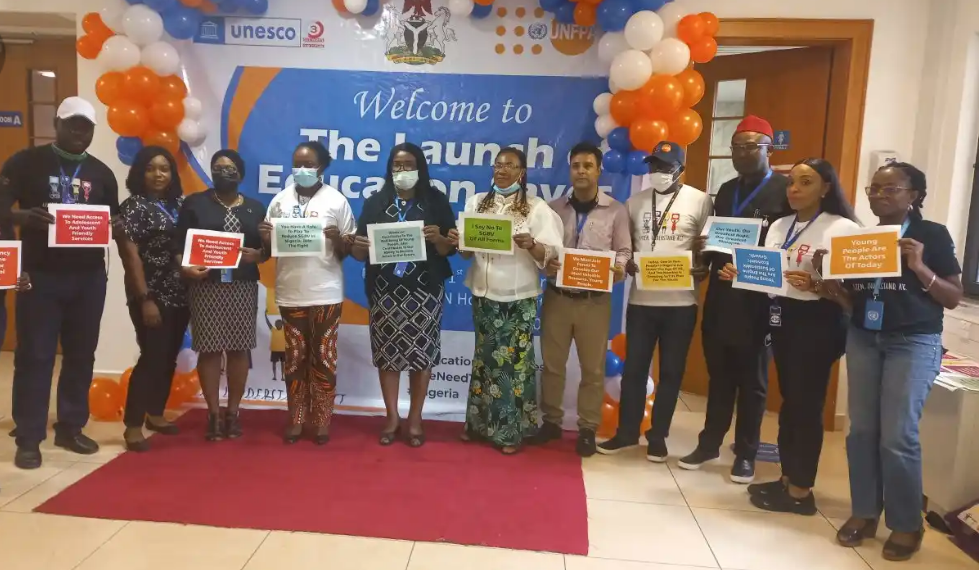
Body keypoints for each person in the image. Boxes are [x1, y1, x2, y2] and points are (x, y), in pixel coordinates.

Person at [831, 163, 961, 561]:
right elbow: (857, 301)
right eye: (874, 188)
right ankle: (865, 512)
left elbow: (953, 297)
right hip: (864, 338)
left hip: (913, 341)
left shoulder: (931, 234)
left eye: (891, 189)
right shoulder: (863, 239)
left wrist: (919, 266)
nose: (878, 195)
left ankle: (906, 524)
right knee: (861, 431)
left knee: (898, 435)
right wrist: (830, 283)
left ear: (914, 195)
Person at [714, 158, 859, 514]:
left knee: (806, 407)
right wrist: (739, 272)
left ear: (826, 188)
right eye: (792, 181)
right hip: (782, 317)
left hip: (819, 322)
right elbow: (769, 274)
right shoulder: (780, 225)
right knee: (789, 404)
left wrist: (818, 285)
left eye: (806, 182)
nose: (794, 189)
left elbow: (854, 290)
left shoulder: (842, 228)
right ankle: (787, 479)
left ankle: (801, 492)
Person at [0, 97, 121, 470]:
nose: (79, 131)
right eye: (72, 123)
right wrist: (22, 217)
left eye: (86, 126)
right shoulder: (25, 162)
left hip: (88, 278)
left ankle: (70, 427)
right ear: (57, 123)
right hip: (39, 276)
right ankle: (29, 437)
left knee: (82, 355)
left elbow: (113, 219)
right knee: (35, 356)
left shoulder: (102, 173)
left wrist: (116, 225)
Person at [678, 115, 793, 484]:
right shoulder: (727, 191)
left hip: (759, 300)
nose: (742, 153)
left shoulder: (785, 191)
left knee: (753, 382)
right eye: (736, 147)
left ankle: (746, 453)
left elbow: (787, 248)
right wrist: (705, 248)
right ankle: (709, 443)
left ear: (769, 149)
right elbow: (720, 241)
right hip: (721, 296)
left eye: (751, 146)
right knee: (720, 376)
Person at [597, 141, 713, 461]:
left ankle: (658, 435)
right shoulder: (634, 202)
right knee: (634, 369)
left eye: (665, 166)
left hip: (681, 303)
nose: (658, 172)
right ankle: (626, 432)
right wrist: (629, 263)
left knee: (672, 372)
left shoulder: (700, 201)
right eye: (654, 166)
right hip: (642, 301)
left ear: (680, 169)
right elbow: (627, 247)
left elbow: (707, 247)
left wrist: (702, 266)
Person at [453, 147, 563, 455]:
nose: (502, 170)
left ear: (521, 172)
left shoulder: (535, 207)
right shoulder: (477, 202)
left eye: (510, 165)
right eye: (498, 165)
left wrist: (532, 244)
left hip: (517, 297)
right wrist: (458, 242)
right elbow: (465, 252)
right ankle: (478, 425)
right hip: (483, 294)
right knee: (485, 361)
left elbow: (552, 253)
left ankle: (510, 431)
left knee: (512, 366)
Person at [349, 143, 456, 447]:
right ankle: (392, 417)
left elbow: (450, 248)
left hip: (425, 292)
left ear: (420, 167)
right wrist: (356, 245)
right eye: (397, 165)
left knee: (422, 357)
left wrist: (440, 238)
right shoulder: (376, 202)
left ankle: (416, 418)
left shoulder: (435, 201)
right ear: (389, 168)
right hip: (385, 292)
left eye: (409, 164)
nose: (402, 170)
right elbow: (359, 252)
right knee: (388, 356)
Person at [531, 142, 630, 457]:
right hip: (558, 298)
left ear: (599, 170)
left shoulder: (616, 210)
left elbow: (624, 251)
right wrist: (546, 264)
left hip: (594, 302)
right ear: (570, 170)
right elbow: (542, 250)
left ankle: (588, 428)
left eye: (588, 166)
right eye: (576, 166)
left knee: (593, 369)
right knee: (552, 365)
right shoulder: (552, 209)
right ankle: (551, 422)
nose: (581, 171)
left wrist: (619, 268)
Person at [260, 141, 355, 445]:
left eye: (308, 164)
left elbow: (348, 252)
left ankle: (322, 420)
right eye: (297, 164)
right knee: (294, 358)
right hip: (291, 291)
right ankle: (297, 418)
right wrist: (265, 238)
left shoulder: (336, 201)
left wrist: (337, 239)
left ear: (322, 167)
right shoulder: (279, 201)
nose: (301, 169)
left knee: (324, 358)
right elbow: (268, 250)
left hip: (326, 291)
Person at [177, 149, 266, 441]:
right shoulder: (195, 203)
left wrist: (260, 254)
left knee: (239, 349)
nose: (223, 172)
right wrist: (186, 267)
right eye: (217, 167)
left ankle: (233, 412)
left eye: (229, 168)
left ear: (240, 173)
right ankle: (213, 414)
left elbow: (265, 250)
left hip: (242, 286)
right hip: (206, 286)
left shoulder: (255, 208)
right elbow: (179, 246)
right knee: (210, 349)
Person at [117, 146, 190, 452]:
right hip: (150, 292)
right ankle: (133, 426)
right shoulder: (132, 207)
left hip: (182, 292)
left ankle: (155, 414)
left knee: (169, 356)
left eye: (164, 168)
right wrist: (145, 298)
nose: (158, 174)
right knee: (151, 357)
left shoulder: (180, 204)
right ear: (140, 172)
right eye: (150, 168)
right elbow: (130, 256)